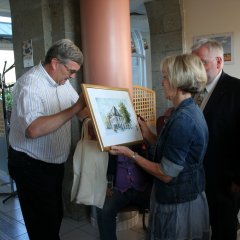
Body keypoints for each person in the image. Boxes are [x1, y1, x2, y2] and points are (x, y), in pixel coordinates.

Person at [110, 53, 210, 240]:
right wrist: (148, 134)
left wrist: (131, 155)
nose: (162, 81)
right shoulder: (187, 110)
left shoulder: (183, 119)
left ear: (177, 81)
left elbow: (166, 173)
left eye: (165, 77)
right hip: (185, 194)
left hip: (178, 201)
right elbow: (173, 149)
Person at [8, 39, 86, 240]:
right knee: (42, 225)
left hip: (52, 163)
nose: (73, 76)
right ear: (55, 63)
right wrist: (76, 108)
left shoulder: (63, 82)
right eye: (71, 71)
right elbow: (33, 129)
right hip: (31, 165)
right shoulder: (30, 84)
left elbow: (79, 111)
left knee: (54, 216)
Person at [192, 38, 240, 240]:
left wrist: (237, 179)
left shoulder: (236, 90)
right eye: (194, 63)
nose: (196, 68)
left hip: (226, 181)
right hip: (201, 177)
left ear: (219, 62)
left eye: (201, 62)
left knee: (223, 230)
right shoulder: (195, 91)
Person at [96, 144, 152, 240]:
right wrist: (105, 183)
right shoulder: (109, 141)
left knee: (161, 204)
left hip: (143, 187)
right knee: (103, 208)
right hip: (118, 190)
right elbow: (100, 164)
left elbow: (154, 162)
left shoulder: (142, 137)